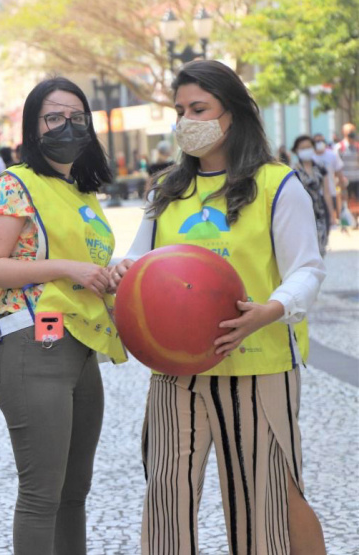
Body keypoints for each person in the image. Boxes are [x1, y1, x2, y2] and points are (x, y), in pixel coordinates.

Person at [111, 60, 326, 555]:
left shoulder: (277, 184)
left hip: (257, 367)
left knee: (259, 506)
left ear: (232, 113)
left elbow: (307, 270)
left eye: (199, 108)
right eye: (180, 110)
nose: (187, 119)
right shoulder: (166, 190)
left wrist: (270, 311)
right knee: (167, 497)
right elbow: (141, 261)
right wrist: (124, 272)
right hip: (173, 368)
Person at [0, 77, 126, 555]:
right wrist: (70, 269)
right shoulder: (15, 184)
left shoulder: (80, 192)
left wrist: (110, 275)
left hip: (81, 349)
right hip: (31, 344)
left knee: (74, 494)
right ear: (33, 128)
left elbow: (85, 268)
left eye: (77, 118)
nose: (66, 126)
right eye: (54, 117)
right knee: (41, 496)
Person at [292, 135, 330, 255]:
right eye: (302, 148)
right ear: (296, 150)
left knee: (321, 246)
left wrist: (332, 213)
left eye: (308, 147)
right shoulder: (293, 169)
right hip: (301, 211)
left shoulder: (320, 167)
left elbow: (326, 191)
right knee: (305, 247)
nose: (306, 150)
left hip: (319, 210)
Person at [312, 133, 344, 223]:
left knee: (327, 222)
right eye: (317, 141)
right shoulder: (310, 158)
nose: (320, 143)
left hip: (330, 193)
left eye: (322, 141)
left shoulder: (332, 155)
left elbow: (339, 173)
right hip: (315, 195)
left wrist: (342, 189)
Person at [335, 123, 359, 225]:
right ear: (344, 133)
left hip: (356, 178)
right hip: (344, 179)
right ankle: (346, 221)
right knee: (346, 200)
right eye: (350, 132)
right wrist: (339, 179)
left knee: (357, 200)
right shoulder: (340, 147)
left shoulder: (357, 146)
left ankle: (355, 219)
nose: (352, 134)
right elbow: (336, 164)